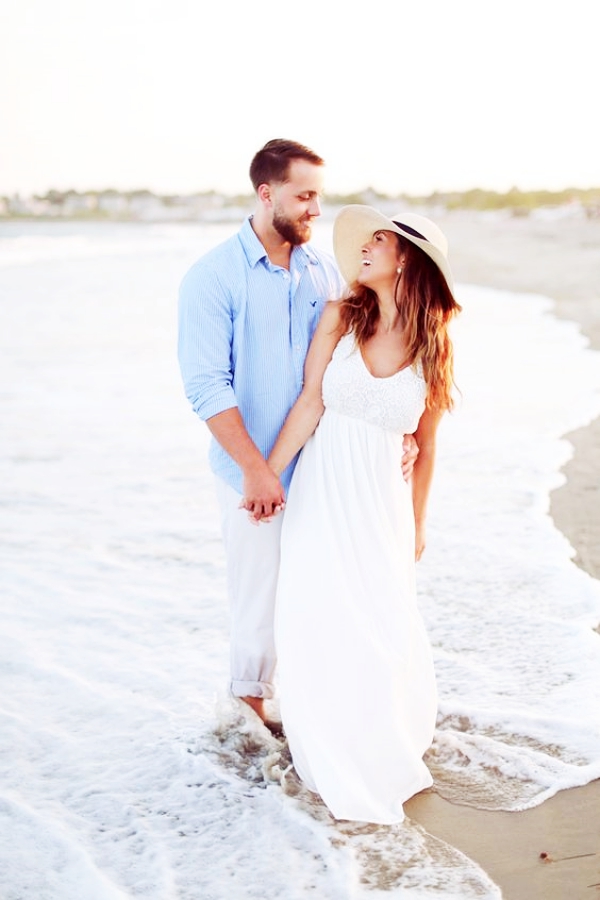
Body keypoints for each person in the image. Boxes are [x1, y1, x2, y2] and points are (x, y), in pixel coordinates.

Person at [178, 141, 417, 730]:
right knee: (257, 596)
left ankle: (317, 709)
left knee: (318, 590)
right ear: (267, 194)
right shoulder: (212, 277)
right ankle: (249, 723)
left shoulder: (323, 273)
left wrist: (397, 424)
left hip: (324, 467)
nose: (315, 209)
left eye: (318, 196)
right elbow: (208, 388)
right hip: (251, 466)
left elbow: (358, 355)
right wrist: (257, 470)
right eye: (304, 195)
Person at [263, 205, 461, 823]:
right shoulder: (339, 317)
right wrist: (267, 475)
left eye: (380, 241)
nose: (365, 250)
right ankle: (326, 736)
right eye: (369, 240)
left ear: (408, 259)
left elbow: (426, 445)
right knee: (319, 611)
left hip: (383, 505)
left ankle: (377, 736)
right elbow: (308, 404)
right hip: (324, 491)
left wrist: (420, 523)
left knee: (380, 621)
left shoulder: (435, 344)